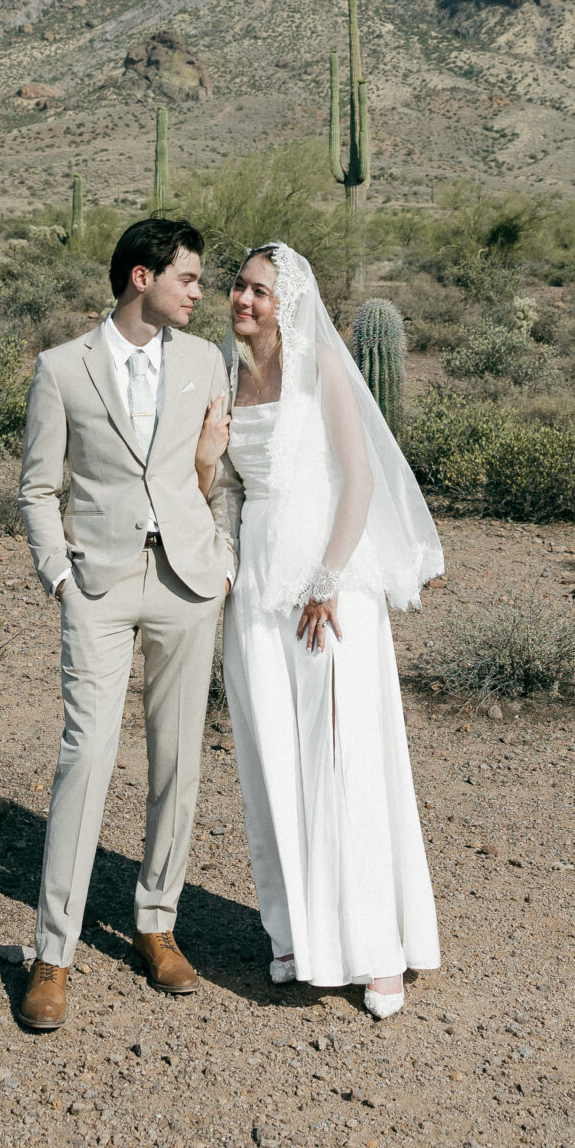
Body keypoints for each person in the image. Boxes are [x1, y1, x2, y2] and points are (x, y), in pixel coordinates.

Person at [198, 241, 443, 1020]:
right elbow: (227, 489)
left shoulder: (322, 368)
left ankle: (376, 950)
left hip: (328, 587)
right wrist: (215, 507)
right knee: (273, 761)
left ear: (289, 300)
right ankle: (299, 936)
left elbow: (361, 476)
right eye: (238, 285)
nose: (243, 299)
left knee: (343, 759)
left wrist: (332, 578)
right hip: (259, 589)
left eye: (260, 290)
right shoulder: (228, 375)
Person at [13, 217, 233, 1032]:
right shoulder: (62, 368)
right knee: (86, 758)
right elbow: (37, 487)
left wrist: (227, 557)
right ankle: (53, 953)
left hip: (186, 579)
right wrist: (60, 575)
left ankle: (156, 922)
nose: (200, 291)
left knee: (177, 757)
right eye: (189, 277)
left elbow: (229, 472)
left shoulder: (207, 361)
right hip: (98, 584)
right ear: (142, 277)